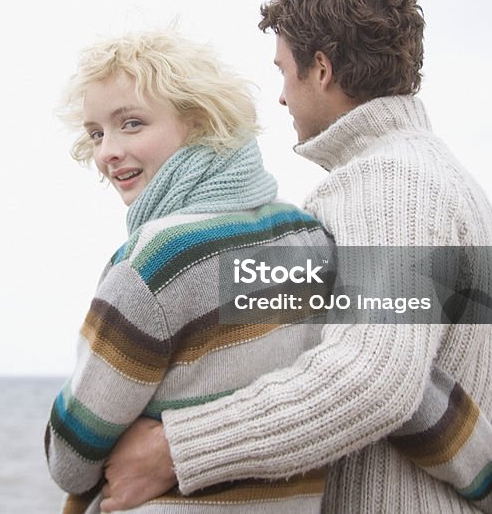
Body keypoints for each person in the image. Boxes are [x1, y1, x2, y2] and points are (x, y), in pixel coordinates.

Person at [97, 0, 492, 513]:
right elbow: (427, 389)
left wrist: (176, 447)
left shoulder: (388, 187)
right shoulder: (430, 174)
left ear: (321, 68)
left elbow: (373, 380)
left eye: (284, 72)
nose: (284, 96)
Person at [45, 28, 335, 513]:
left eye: (131, 123)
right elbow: (405, 386)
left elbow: (70, 461)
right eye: (96, 133)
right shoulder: (308, 236)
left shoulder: (157, 260)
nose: (107, 152)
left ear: (200, 122)